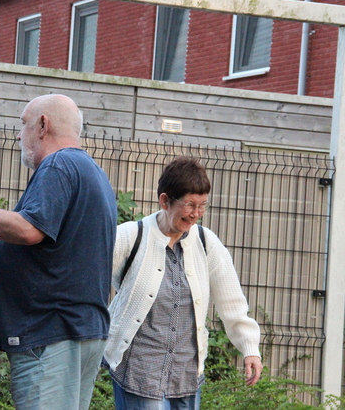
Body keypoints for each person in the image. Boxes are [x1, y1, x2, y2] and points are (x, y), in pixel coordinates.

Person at [0, 94, 118, 410]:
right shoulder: (91, 171)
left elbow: (28, 229)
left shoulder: (59, 164)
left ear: (43, 125)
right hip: (78, 330)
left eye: (23, 124)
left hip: (51, 332)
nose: (19, 134)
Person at [104, 156, 262, 410]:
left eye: (202, 205)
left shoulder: (206, 242)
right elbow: (89, 279)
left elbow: (231, 298)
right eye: (189, 204)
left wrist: (249, 347)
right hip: (140, 371)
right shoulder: (131, 236)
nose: (196, 214)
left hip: (186, 375)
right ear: (165, 200)